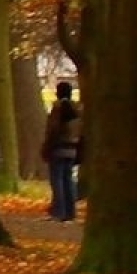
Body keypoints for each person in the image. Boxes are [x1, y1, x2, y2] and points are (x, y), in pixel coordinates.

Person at [40, 82, 84, 222]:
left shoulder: (57, 108)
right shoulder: (77, 109)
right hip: (72, 149)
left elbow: (52, 129)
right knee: (68, 179)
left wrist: (47, 146)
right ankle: (70, 212)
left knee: (57, 180)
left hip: (58, 148)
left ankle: (58, 212)